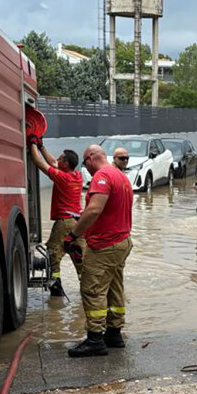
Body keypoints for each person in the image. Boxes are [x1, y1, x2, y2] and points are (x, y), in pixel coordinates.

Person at [62, 144, 134, 357]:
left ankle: (95, 339)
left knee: (92, 289)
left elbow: (94, 210)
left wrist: (72, 235)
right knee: (114, 287)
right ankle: (114, 333)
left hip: (105, 246)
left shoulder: (102, 176)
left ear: (91, 158)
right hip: (121, 242)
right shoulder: (121, 177)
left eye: (85, 163)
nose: (86, 168)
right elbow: (108, 210)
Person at [28, 137, 84, 297]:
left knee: (53, 255)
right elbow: (53, 163)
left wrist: (32, 144)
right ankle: (87, 293)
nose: (57, 159)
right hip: (78, 224)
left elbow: (40, 164)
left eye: (60, 158)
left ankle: (56, 291)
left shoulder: (62, 178)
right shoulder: (77, 176)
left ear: (65, 163)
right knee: (80, 259)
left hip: (64, 223)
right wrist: (42, 146)